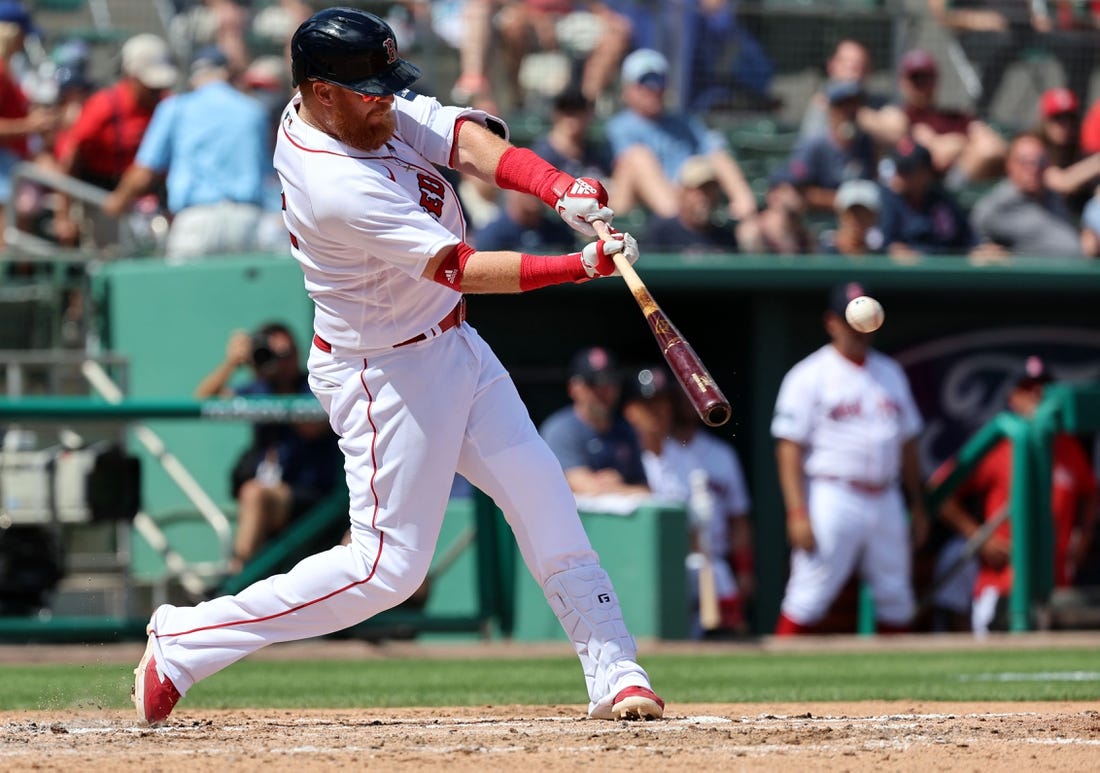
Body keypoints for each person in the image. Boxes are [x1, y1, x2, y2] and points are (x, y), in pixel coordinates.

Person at [133, 7, 663, 727]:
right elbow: (462, 269)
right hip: (385, 373)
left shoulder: (360, 107)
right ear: (322, 92)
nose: (386, 98)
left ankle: (617, 671)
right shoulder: (333, 182)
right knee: (385, 571)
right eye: (369, 90)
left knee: (543, 495)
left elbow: (461, 141)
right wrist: (577, 266)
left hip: (450, 345)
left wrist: (556, 186)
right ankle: (186, 639)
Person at [771, 281, 929, 635]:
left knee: (896, 598)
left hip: (886, 496)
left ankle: (900, 686)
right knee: (808, 596)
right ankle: (775, 682)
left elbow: (907, 443)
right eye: (848, 321)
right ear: (832, 322)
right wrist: (797, 511)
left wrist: (915, 503)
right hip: (833, 494)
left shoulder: (890, 373)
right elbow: (788, 447)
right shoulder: (809, 374)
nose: (856, 331)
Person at [937, 355, 1098, 636]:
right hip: (1002, 584)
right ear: (1013, 396)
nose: (1036, 395)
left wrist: (1083, 534)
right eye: (1028, 387)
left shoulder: (1069, 447)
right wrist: (978, 536)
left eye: (1043, 388)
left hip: (1058, 586)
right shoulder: (1000, 441)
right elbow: (940, 490)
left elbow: (1091, 493)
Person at [194, 322, 343, 574]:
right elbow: (203, 399)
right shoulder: (260, 387)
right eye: (271, 354)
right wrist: (233, 362)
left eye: (286, 353)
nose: (281, 362)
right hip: (270, 496)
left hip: (314, 496)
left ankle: (236, 580)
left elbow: (312, 427)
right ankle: (240, 580)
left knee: (255, 493)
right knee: (254, 492)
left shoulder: (312, 386)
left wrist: (280, 387)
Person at [102, 46, 274, 261]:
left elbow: (144, 172)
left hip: (196, 220)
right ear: (226, 73)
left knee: (184, 294)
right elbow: (269, 174)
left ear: (194, 76)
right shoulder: (254, 110)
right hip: (247, 220)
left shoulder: (176, 107)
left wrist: (118, 201)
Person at [620, 364, 753, 638]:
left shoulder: (686, 459)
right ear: (631, 410)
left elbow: (712, 524)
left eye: (663, 403)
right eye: (649, 404)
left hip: (690, 562)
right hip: (638, 566)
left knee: (713, 573)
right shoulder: (624, 456)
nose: (658, 411)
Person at [52, 33, 177, 247]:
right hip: (104, 198)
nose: (156, 92)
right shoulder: (103, 106)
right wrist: (63, 215)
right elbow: (71, 159)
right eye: (150, 86)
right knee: (110, 255)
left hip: (154, 202)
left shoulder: (169, 105)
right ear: (130, 75)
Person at [604, 48, 757, 222]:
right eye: (645, 81)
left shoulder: (685, 123)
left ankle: (744, 206)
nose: (653, 89)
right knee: (637, 158)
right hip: (648, 204)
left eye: (658, 80)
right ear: (628, 89)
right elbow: (626, 176)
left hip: (691, 190)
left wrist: (741, 197)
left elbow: (715, 152)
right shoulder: (619, 127)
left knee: (717, 155)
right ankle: (677, 219)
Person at [927, 0, 1099, 119]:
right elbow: (942, 15)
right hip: (979, 35)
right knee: (1003, 41)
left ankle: (1072, 116)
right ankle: (979, 115)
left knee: (1080, 45)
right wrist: (976, 19)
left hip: (1023, 29)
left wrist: (1037, 16)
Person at [540, 346, 651, 498]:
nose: (602, 390)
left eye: (609, 382)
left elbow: (645, 491)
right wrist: (618, 487)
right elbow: (581, 486)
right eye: (593, 384)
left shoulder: (626, 430)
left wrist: (615, 487)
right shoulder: (560, 429)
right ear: (573, 388)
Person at [895, 48, 1006, 188]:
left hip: (963, 183)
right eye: (916, 78)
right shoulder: (902, 118)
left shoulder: (958, 117)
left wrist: (957, 144)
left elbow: (994, 149)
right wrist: (966, 144)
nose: (923, 84)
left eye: (927, 77)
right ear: (903, 82)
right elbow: (938, 158)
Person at [970, 132, 1084, 258]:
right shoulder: (998, 206)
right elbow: (976, 244)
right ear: (1010, 165)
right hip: (1035, 275)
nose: (1034, 169)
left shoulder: (1054, 197)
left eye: (1040, 161)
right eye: (1025, 162)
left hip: (1077, 271)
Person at [775, 80, 878, 214]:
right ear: (831, 108)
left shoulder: (866, 142)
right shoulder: (814, 145)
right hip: (822, 219)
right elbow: (799, 191)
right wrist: (841, 200)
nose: (849, 111)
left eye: (855, 104)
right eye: (843, 105)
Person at [877, 137, 981, 259]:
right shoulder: (886, 198)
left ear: (926, 174)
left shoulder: (942, 200)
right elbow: (882, 243)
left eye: (907, 170)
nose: (900, 175)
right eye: (898, 169)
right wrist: (894, 250)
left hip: (942, 269)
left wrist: (981, 249)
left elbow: (966, 240)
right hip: (902, 274)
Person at [798, 38, 907, 148]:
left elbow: (899, 135)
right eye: (851, 67)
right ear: (831, 66)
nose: (856, 75)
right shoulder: (823, 102)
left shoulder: (878, 102)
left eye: (863, 67)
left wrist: (853, 113)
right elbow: (811, 148)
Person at [641, 155, 737, 254]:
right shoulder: (662, 232)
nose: (705, 197)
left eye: (710, 190)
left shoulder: (727, 238)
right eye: (699, 190)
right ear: (683, 193)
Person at [1034, 87, 1100, 216]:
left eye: (1070, 117)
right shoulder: (1035, 148)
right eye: (1057, 118)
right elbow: (1062, 183)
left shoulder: (1081, 147)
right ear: (1044, 120)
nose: (1065, 124)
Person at [473, 188, 577, 252]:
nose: (534, 192)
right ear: (510, 190)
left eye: (539, 186)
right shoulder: (491, 236)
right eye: (527, 186)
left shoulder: (560, 233)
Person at [819, 178, 884, 256]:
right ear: (841, 215)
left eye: (864, 214)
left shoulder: (881, 251)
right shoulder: (823, 251)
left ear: (874, 217)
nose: (856, 220)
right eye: (851, 213)